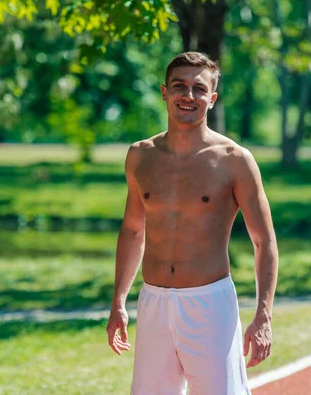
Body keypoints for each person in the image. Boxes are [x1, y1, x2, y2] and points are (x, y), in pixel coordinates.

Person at [106, 51, 279, 395]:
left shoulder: (234, 160)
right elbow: (133, 230)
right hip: (153, 302)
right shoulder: (140, 155)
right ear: (164, 92)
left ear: (212, 98)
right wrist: (118, 303)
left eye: (199, 89)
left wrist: (263, 316)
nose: (188, 96)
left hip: (209, 304)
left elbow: (265, 242)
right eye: (179, 86)